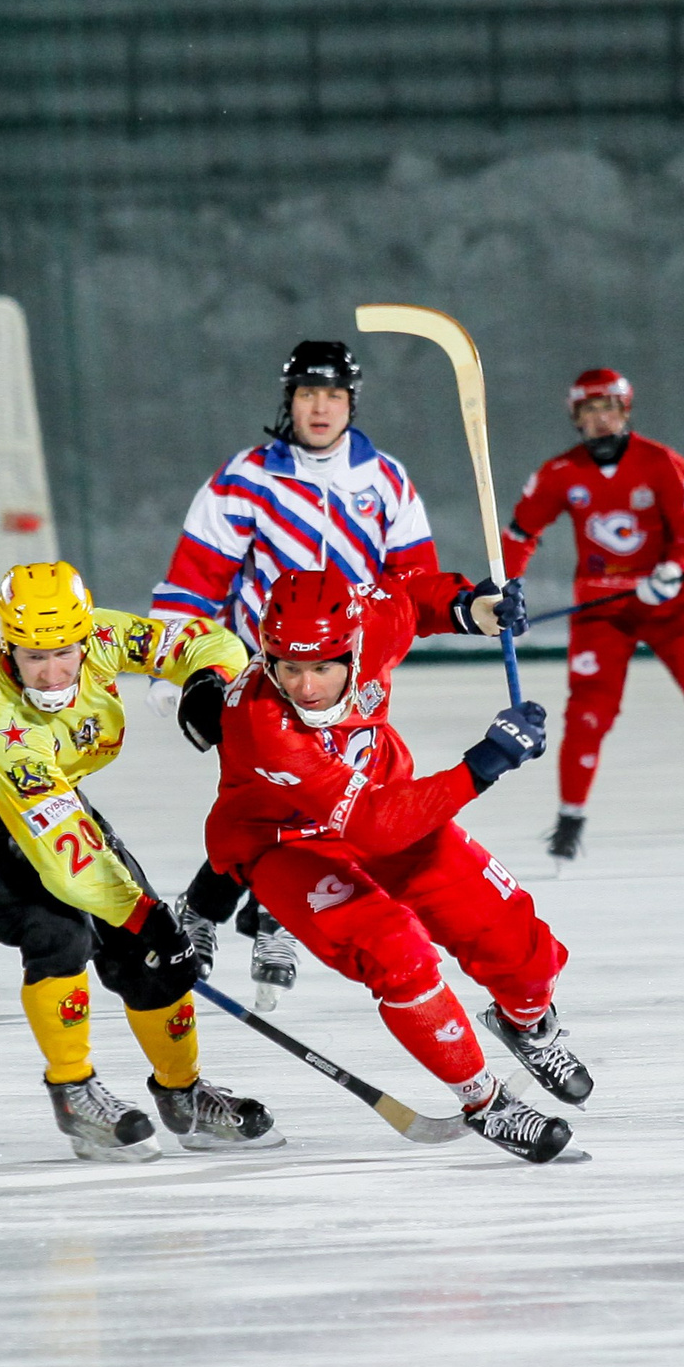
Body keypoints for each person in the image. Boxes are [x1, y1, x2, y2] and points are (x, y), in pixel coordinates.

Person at [148, 338, 512, 1011]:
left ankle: (267, 915)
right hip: (263, 676)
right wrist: (181, 676)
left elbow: (414, 587)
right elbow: (194, 582)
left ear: (352, 401)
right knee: (258, 800)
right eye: (308, 394)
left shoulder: (386, 482)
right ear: (288, 401)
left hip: (347, 676)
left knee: (334, 802)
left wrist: (471, 606)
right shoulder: (245, 479)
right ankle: (221, 912)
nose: (320, 408)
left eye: (334, 395)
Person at [205, 567, 591, 1164]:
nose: (305, 688)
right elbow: (373, 825)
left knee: (510, 935)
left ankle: (527, 1023)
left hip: (390, 803)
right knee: (399, 954)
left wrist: (472, 608)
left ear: (354, 646)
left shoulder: (375, 621)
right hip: (290, 845)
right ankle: (485, 1102)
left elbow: (411, 594)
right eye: (289, 668)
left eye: (323, 668)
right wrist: (482, 764)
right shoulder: (259, 723)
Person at [0, 562, 268, 1163]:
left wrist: (208, 680)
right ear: (8, 645)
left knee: (150, 953)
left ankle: (185, 1095)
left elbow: (204, 639)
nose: (49, 672)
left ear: (83, 636)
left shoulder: (102, 635)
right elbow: (68, 858)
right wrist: (146, 914)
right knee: (61, 931)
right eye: (31, 656)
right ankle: (73, 1092)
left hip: (51, 796)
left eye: (62, 653)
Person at [504, 368, 684, 869]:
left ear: (626, 412)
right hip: (605, 609)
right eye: (589, 411)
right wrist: (508, 587)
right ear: (575, 418)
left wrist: (674, 568)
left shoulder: (664, 464)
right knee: (587, 716)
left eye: (610, 409)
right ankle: (568, 824)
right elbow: (520, 531)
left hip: (679, 608)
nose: (600, 420)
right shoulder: (559, 474)